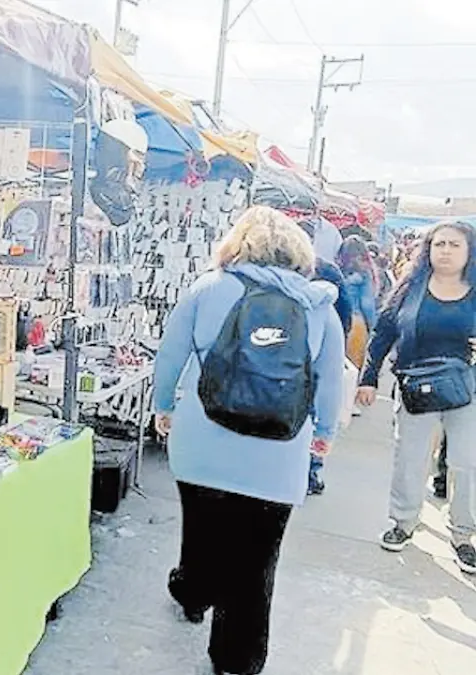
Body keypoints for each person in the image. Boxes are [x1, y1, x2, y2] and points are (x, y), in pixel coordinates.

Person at [154, 206, 344, 675]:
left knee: (201, 529)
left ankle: (193, 592)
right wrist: (323, 434)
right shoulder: (319, 307)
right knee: (257, 560)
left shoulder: (207, 289)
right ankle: (236, 659)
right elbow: (329, 382)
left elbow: (171, 353)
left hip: (203, 443)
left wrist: (164, 407)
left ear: (236, 244)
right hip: (277, 455)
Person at [356, 221, 476, 574]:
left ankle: (464, 536)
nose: (446, 250)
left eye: (455, 244)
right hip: (416, 388)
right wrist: (368, 378)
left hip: (468, 390)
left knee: (467, 463)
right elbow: (383, 333)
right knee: (409, 459)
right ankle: (403, 523)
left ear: (469, 251)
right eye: (439, 244)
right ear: (428, 249)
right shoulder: (411, 289)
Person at [300, 220, 352, 496]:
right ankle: (310, 471)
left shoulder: (326, 271)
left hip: (305, 356)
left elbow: (343, 312)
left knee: (313, 410)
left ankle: (310, 469)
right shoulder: (327, 270)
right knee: (315, 411)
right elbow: (344, 313)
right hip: (315, 354)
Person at [338, 235, 378, 369]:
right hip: (356, 323)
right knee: (353, 371)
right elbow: (367, 304)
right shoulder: (364, 273)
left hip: (337, 320)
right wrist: (373, 328)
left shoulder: (337, 271)